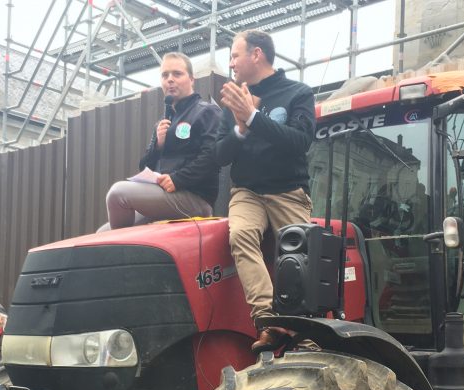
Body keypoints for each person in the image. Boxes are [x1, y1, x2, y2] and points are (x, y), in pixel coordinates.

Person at [215, 29, 317, 352]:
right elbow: (219, 155)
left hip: (288, 190)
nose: (230, 63)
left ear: (256, 54)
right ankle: (269, 321)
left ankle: (307, 334)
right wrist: (240, 127)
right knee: (240, 234)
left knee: (299, 254)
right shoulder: (231, 102)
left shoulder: (298, 93)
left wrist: (254, 117)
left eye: (234, 55)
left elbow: (300, 141)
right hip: (246, 190)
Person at [104, 52, 221, 229]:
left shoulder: (207, 112)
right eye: (165, 75)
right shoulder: (164, 122)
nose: (170, 80)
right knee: (102, 233)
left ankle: (122, 255)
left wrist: (177, 179)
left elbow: (212, 158)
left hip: (194, 198)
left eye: (177, 74)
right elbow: (143, 167)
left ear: (191, 79)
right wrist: (158, 146)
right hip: (164, 195)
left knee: (118, 194)